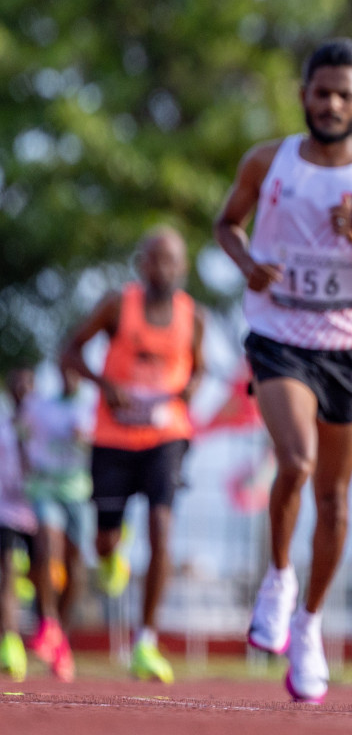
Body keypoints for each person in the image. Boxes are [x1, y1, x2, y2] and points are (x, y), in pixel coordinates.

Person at [214, 38, 352, 703]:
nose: (329, 104)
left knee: (335, 497)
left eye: (343, 95)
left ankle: (310, 624)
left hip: (349, 348)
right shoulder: (268, 161)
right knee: (294, 462)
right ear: (304, 95)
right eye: (320, 92)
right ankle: (277, 576)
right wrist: (248, 266)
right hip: (278, 336)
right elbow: (226, 224)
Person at [61, 226, 206, 683]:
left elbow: (199, 371)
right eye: (154, 259)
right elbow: (69, 350)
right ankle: (109, 557)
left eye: (171, 261)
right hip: (112, 438)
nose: (162, 269)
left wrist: (182, 395)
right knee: (105, 536)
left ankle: (146, 641)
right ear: (142, 264)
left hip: (166, 437)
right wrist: (106, 386)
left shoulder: (192, 317)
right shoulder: (115, 306)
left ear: (182, 268)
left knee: (161, 525)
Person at [9, 361, 91, 680]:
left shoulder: (90, 407)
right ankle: (48, 622)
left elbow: (98, 443)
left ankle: (61, 638)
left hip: (78, 494)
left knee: (76, 567)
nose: (70, 375)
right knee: (46, 546)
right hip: (44, 489)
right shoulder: (42, 407)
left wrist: (85, 439)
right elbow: (18, 424)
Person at [0, 385, 37, 681]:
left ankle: (52, 635)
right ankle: (10, 644)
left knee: (51, 576)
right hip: (7, 514)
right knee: (8, 576)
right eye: (16, 386)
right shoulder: (3, 429)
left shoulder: (42, 425)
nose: (20, 392)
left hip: (39, 512)